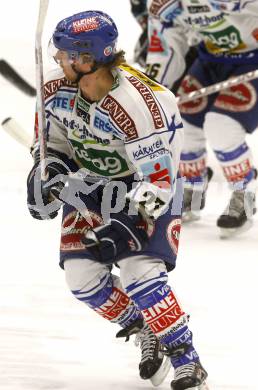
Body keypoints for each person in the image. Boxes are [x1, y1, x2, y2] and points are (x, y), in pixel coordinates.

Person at [26, 10, 208, 389]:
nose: (58, 59)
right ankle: (143, 326)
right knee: (82, 280)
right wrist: (48, 172)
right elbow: (51, 146)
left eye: (65, 54)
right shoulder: (54, 88)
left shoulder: (137, 104)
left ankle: (187, 360)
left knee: (139, 271)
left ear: (88, 60)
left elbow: (158, 178)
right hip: (92, 183)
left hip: (147, 188)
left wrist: (125, 223)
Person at [145, 0, 258, 237]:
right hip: (211, 60)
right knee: (182, 120)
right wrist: (151, 92)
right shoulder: (165, 3)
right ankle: (192, 189)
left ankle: (245, 192)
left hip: (254, 59)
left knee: (222, 126)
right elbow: (165, 47)